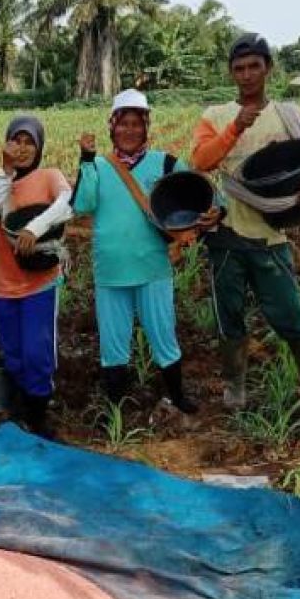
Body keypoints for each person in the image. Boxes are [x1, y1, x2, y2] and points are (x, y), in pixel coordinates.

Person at [189, 33, 300, 418]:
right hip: (226, 235)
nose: (246, 75)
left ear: (268, 68)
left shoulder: (289, 115)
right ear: (230, 72)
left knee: (292, 315)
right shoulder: (216, 116)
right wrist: (235, 128)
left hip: (273, 234)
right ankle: (235, 388)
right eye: (239, 68)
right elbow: (202, 162)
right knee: (230, 314)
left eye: (254, 66)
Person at [73, 89, 216, 416]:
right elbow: (83, 204)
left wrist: (205, 220)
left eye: (137, 123)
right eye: (123, 123)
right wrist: (84, 160)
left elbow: (203, 200)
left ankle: (178, 397)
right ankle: (116, 410)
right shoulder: (96, 165)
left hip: (153, 268)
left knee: (163, 335)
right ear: (112, 126)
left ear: (146, 127)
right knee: (113, 345)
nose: (130, 130)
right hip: (110, 270)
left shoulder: (166, 163)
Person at [0, 116, 73, 438]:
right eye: (15, 141)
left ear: (39, 147)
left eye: (29, 142)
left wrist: (34, 228)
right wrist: (5, 172)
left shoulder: (49, 176)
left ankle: (38, 417)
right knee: (14, 353)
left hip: (40, 282)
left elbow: (66, 204)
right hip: (3, 285)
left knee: (37, 352)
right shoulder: (0, 182)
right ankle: (19, 413)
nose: (21, 148)